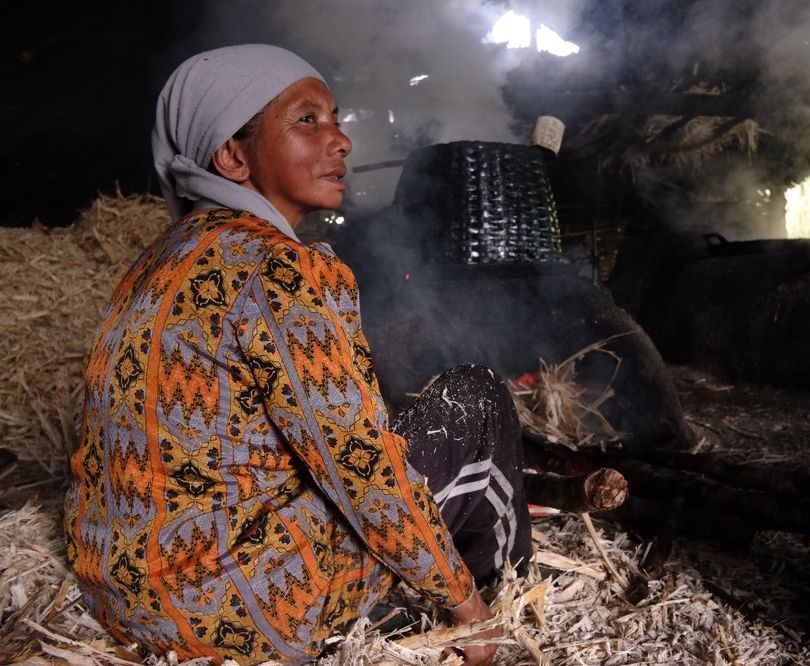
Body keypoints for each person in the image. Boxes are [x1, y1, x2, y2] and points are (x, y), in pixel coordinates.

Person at [63, 44, 532, 666]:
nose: (341, 140)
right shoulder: (281, 267)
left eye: (335, 118)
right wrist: (463, 603)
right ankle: (508, 603)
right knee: (474, 397)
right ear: (232, 157)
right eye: (307, 120)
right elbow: (360, 467)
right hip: (231, 616)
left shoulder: (161, 258)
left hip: (125, 600)